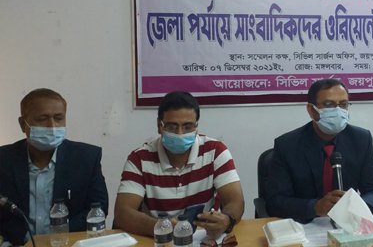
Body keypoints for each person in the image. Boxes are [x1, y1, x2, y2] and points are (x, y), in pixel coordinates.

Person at [114, 91, 244, 239]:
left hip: (203, 238)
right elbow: (122, 213)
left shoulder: (215, 151)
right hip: (157, 239)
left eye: (187, 127)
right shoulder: (139, 159)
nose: (180, 133)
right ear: (159, 126)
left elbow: (236, 201)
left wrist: (227, 220)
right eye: (172, 127)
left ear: (196, 126)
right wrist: (163, 227)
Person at [265, 78, 373, 223]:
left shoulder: (361, 139)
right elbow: (275, 201)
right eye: (329, 104)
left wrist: (361, 209)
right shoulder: (287, 145)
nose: (338, 110)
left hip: (349, 224)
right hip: (305, 224)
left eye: (343, 104)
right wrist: (314, 207)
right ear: (311, 110)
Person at [0, 88, 108, 245]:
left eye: (58, 118)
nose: (51, 126)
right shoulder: (4, 159)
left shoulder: (86, 158)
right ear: (23, 124)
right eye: (42, 119)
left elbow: (99, 209)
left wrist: (59, 238)